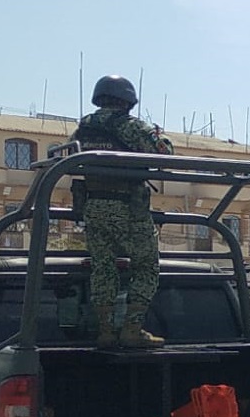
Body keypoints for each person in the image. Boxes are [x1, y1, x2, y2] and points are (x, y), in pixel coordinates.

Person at [70, 74, 174, 349]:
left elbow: (69, 156)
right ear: (127, 101)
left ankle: (105, 331)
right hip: (128, 207)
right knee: (146, 266)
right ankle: (132, 329)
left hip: (93, 206)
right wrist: (158, 134)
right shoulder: (131, 126)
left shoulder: (84, 128)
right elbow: (164, 152)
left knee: (103, 268)